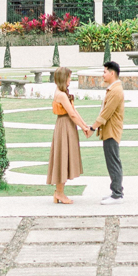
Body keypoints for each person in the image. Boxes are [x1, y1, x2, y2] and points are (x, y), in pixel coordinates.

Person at [47, 66, 91, 203]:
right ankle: (59, 193)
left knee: (64, 157)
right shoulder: (61, 94)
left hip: (66, 126)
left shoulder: (62, 92)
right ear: (63, 78)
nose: (70, 80)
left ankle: (59, 192)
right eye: (69, 77)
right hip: (64, 126)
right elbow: (71, 113)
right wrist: (83, 127)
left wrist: (84, 126)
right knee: (63, 157)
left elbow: (73, 111)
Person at [91, 60, 125, 203]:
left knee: (113, 162)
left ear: (112, 73)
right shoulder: (113, 89)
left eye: (105, 72)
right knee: (112, 161)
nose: (103, 75)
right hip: (109, 130)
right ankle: (116, 191)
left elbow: (106, 114)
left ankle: (117, 194)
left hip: (111, 131)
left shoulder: (116, 91)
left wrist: (92, 128)